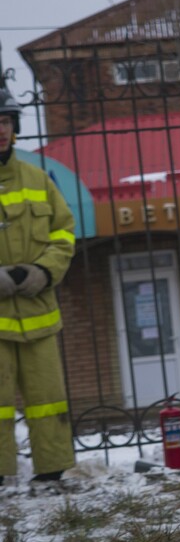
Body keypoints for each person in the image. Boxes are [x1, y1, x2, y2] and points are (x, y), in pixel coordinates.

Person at [0, 86, 77, 486]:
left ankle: (51, 470)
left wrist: (43, 273)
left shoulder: (38, 178)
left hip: (39, 313)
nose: (0, 129)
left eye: (5, 121)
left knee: (48, 399)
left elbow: (63, 234)